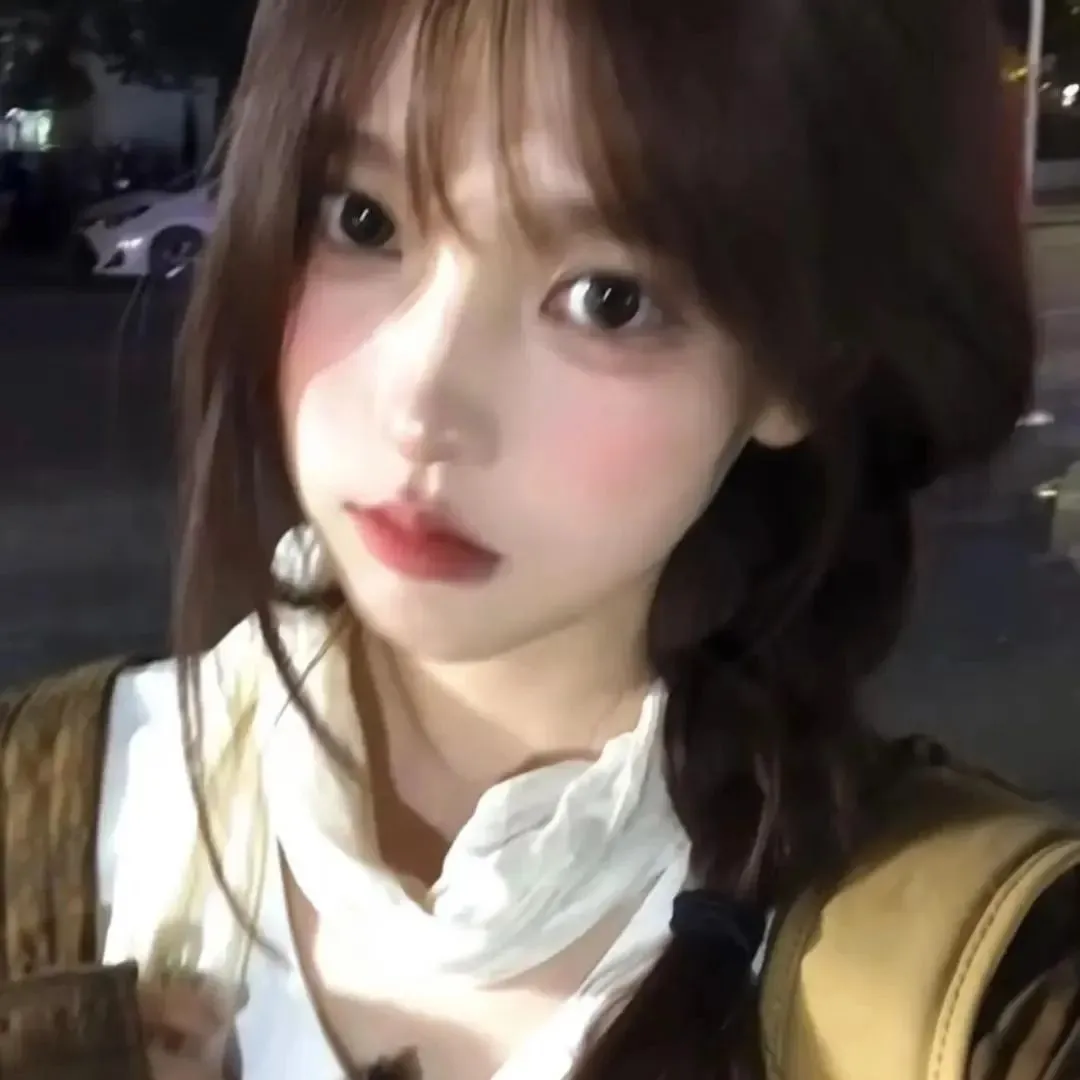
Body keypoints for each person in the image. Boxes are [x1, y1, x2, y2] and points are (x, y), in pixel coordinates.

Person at [2, 0, 1077, 1078]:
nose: (422, 405)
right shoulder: (54, 812)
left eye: (610, 299)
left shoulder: (988, 1002)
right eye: (363, 221)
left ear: (803, 366)